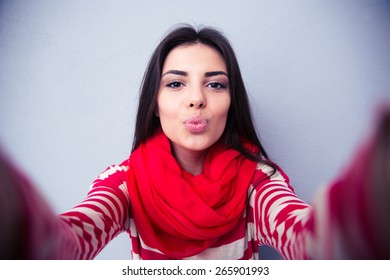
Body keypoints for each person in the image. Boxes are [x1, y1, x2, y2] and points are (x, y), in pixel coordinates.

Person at [1, 24, 389, 260]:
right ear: (154, 103)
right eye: (176, 83)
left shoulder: (259, 181)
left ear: (230, 101)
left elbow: (308, 240)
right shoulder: (124, 182)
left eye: (215, 84)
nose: (196, 98)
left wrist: (370, 203)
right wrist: (16, 218)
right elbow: (69, 242)